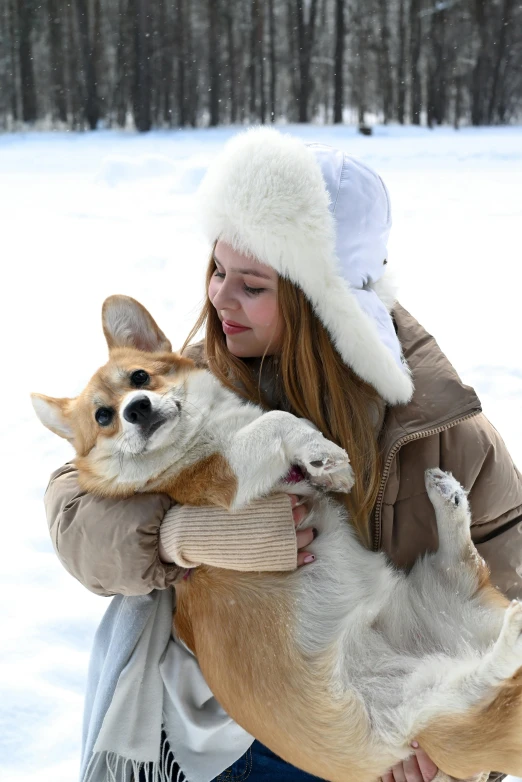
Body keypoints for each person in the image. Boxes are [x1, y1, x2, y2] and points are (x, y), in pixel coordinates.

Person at [44, 128, 522, 782]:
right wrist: (185, 534)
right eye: (217, 269)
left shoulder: (442, 429)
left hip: (355, 729)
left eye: (252, 283)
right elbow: (74, 511)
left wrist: (454, 759)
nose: (217, 297)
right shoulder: (189, 381)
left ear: (321, 299)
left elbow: (509, 608)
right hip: (220, 734)